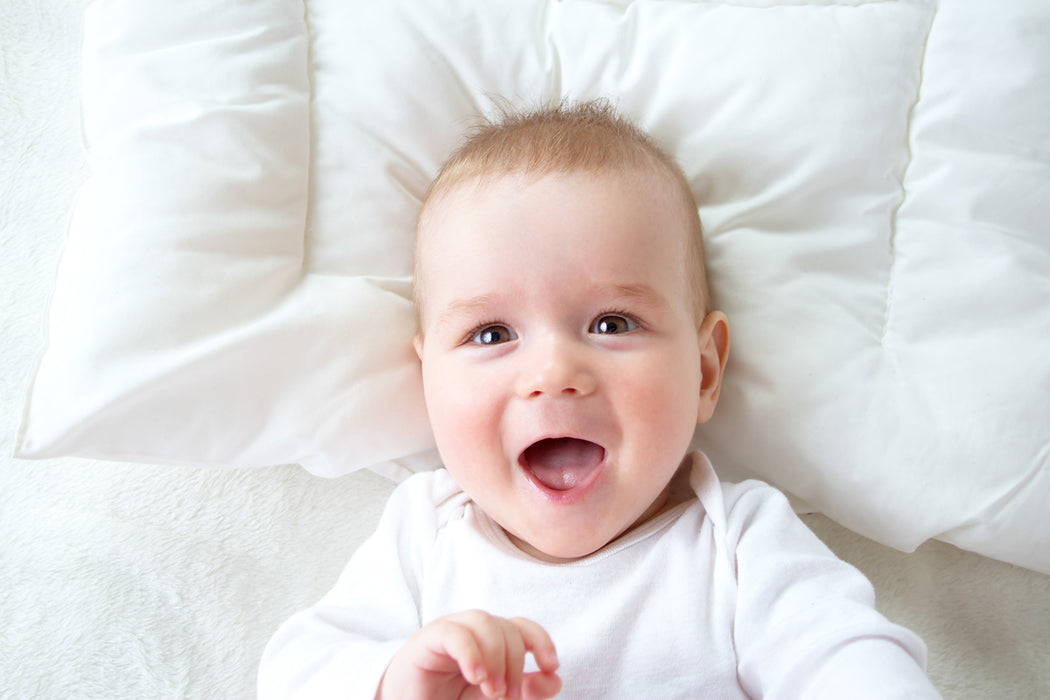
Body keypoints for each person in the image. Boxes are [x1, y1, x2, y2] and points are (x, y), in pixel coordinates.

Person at [258, 100, 940, 699]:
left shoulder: (738, 542)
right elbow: (296, 671)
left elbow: (843, 656)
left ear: (704, 372)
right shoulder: (424, 538)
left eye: (611, 323)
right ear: (428, 381)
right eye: (492, 333)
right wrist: (395, 679)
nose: (553, 371)